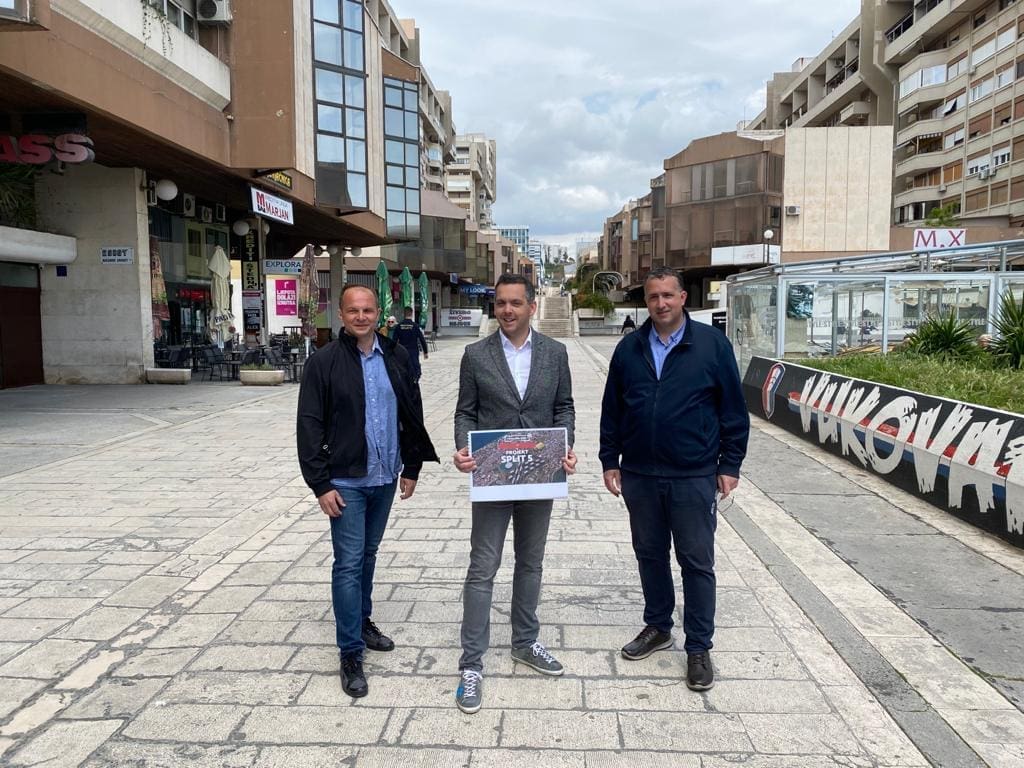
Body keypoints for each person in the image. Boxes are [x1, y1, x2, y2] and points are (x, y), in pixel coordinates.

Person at [599, 267, 749, 692]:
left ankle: (698, 647)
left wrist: (730, 464)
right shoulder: (629, 349)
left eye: (668, 295)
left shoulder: (712, 345)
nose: (661, 303)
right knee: (649, 554)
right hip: (640, 474)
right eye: (653, 297)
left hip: (693, 474)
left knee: (696, 562)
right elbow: (613, 409)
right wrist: (610, 458)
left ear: (683, 298)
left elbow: (733, 410)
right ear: (645, 301)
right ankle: (658, 626)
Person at [297, 284, 439, 699]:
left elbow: (411, 409)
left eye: (368, 310)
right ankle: (350, 652)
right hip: (346, 480)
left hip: (385, 475)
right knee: (348, 563)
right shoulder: (323, 362)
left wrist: (412, 465)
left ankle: (361, 621)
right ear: (341, 315)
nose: (361, 317)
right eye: (353, 310)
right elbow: (309, 424)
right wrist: (320, 484)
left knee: (369, 554)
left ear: (379, 313)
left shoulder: (395, 355)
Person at [452, 273, 577, 714]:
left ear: (531, 306)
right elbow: (465, 412)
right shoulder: (475, 355)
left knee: (531, 563)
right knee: (482, 567)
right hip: (493, 474)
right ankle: (471, 664)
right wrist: (464, 449)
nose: (507, 310)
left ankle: (525, 642)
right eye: (501, 303)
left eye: (515, 303)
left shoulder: (555, 353)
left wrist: (566, 446)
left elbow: (564, 407)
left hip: (540, 473)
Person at [390, 306, 429, 383]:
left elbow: (394, 340)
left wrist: (392, 352)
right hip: (413, 350)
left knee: (403, 367)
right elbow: (422, 339)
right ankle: (415, 379)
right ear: (412, 313)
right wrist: (425, 352)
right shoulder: (415, 326)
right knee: (415, 366)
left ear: (404, 314)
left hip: (402, 350)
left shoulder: (398, 326)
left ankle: (405, 381)